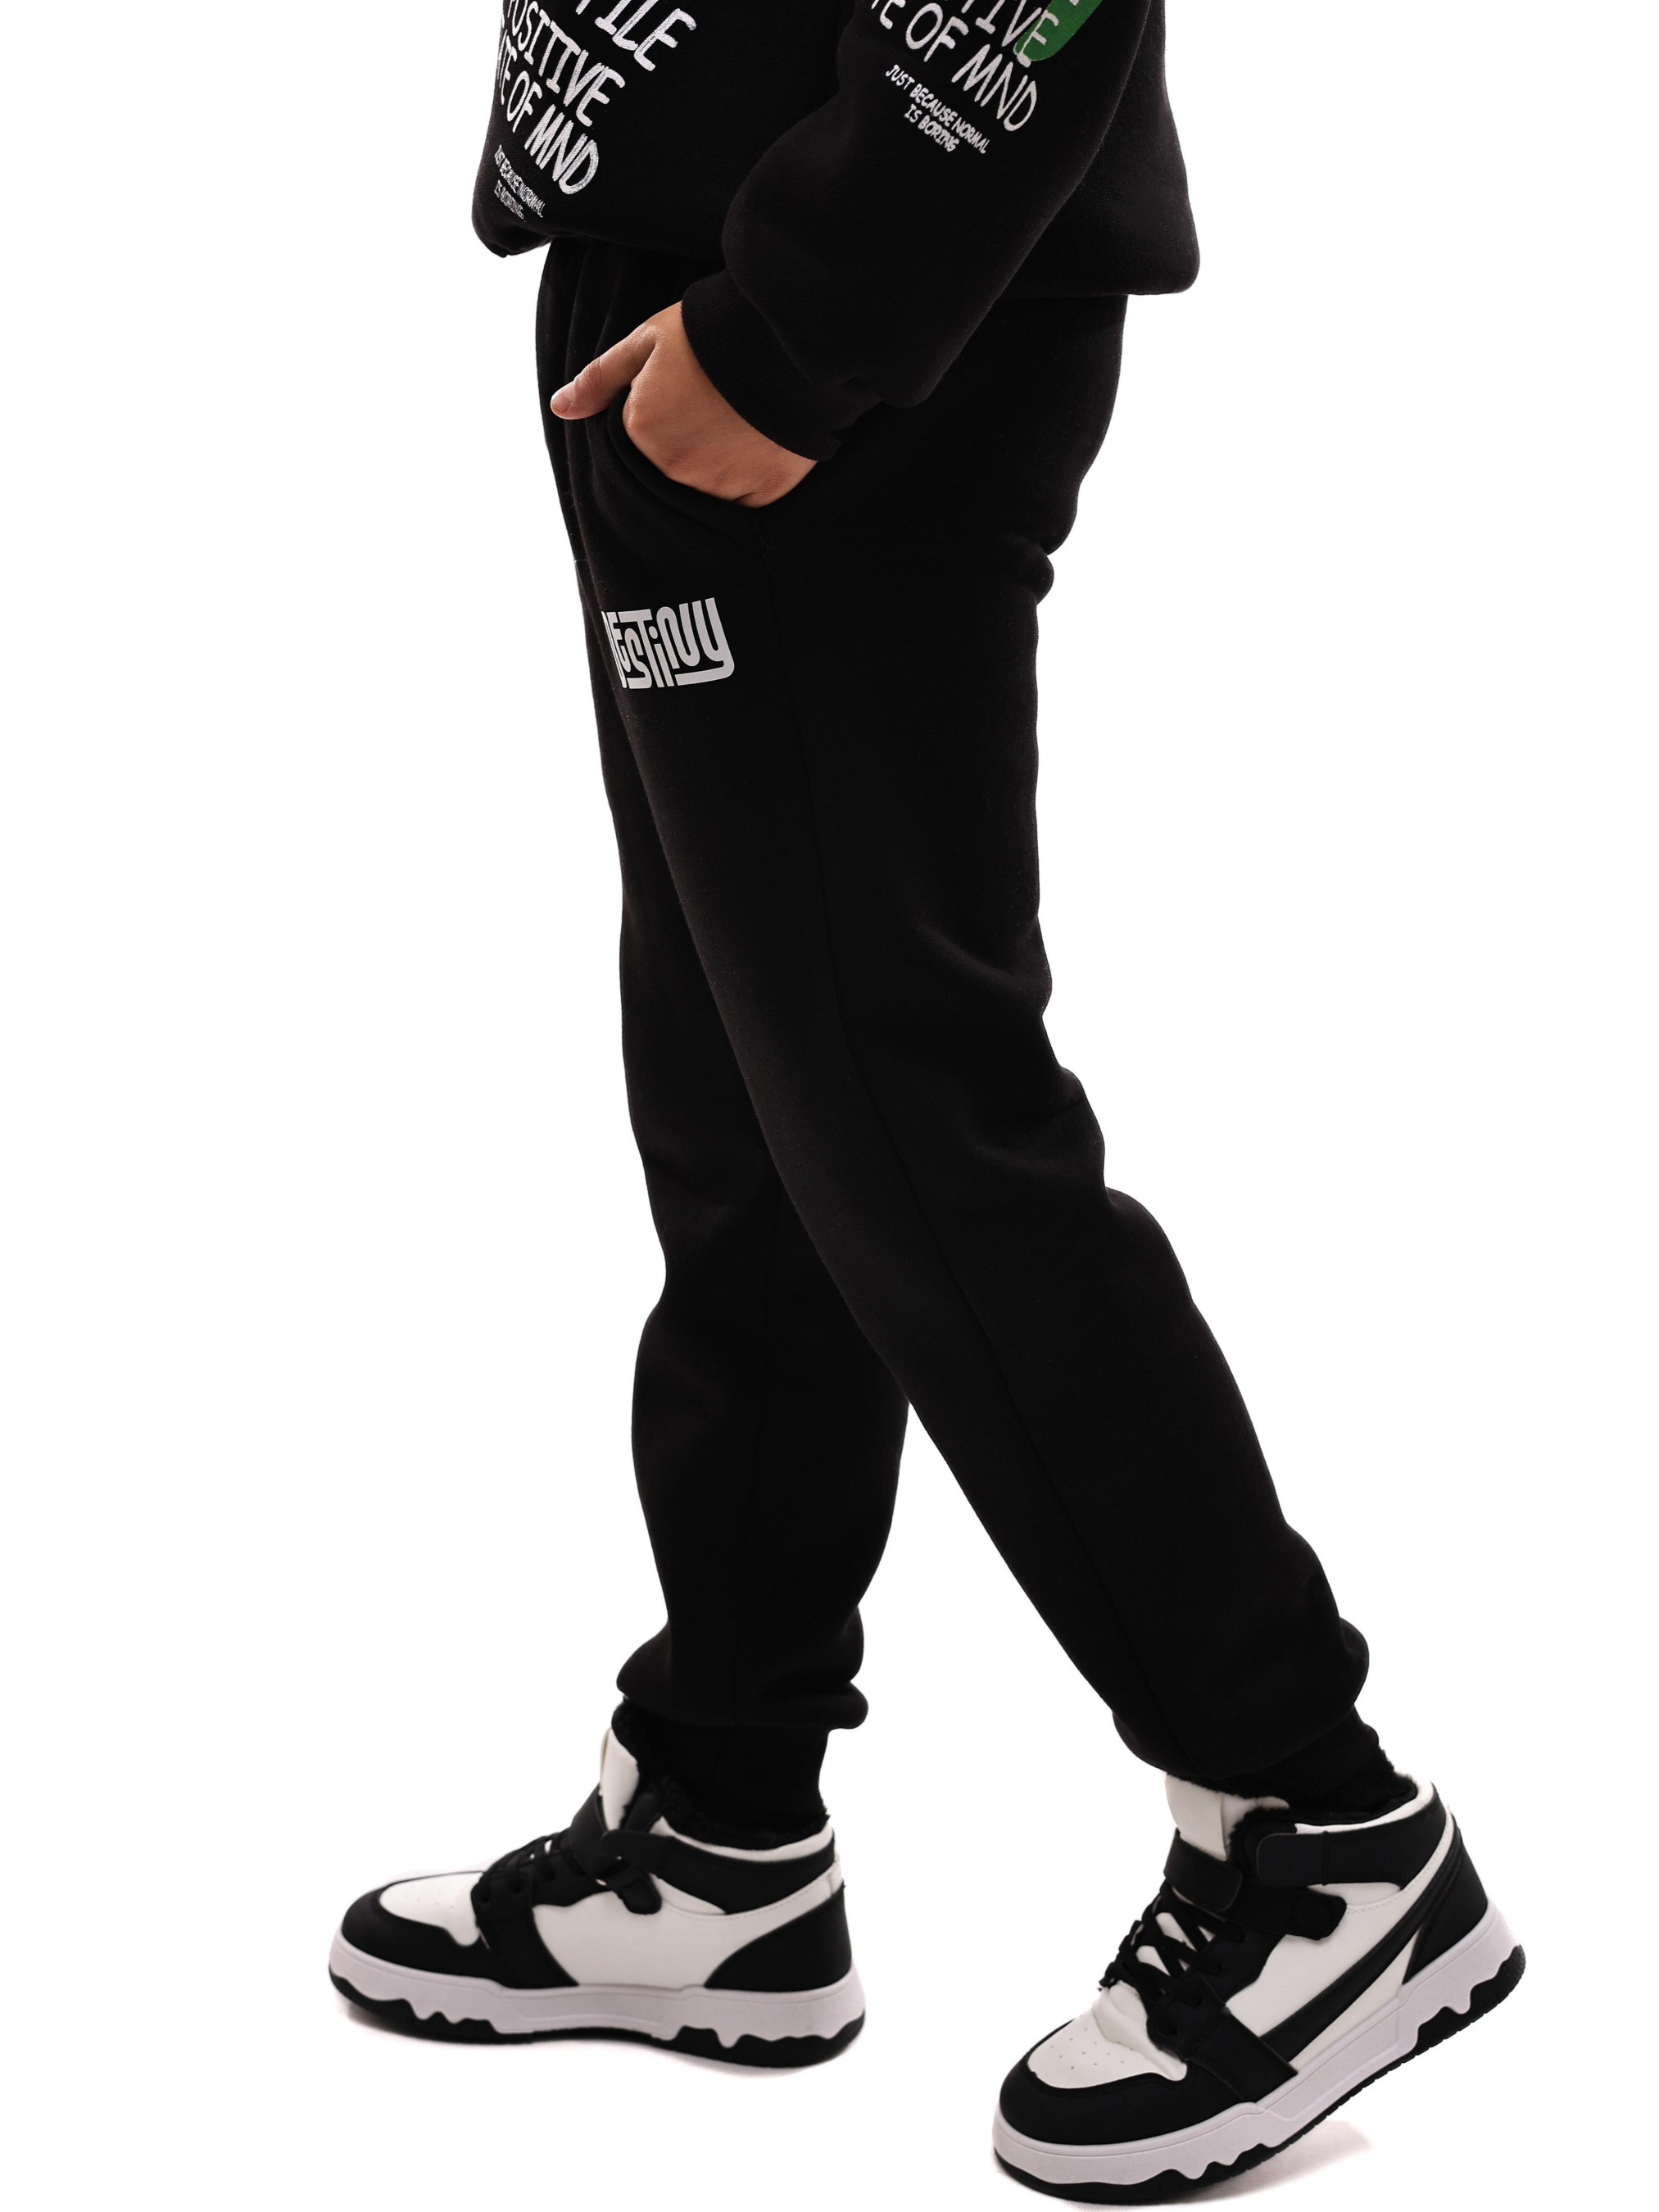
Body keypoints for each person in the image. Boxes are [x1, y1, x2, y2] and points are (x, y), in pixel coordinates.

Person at [329, 2, 1523, 2193]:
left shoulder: (819, 312)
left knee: (903, 1108)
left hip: (851, 300)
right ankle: (720, 1821)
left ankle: (1317, 1822)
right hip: (704, 260)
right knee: (747, 1091)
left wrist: (801, 323)